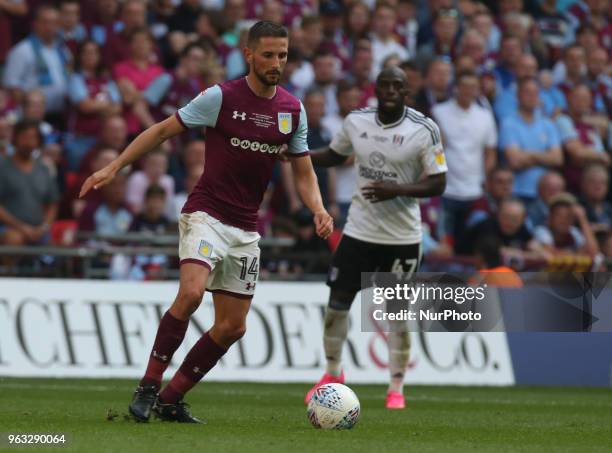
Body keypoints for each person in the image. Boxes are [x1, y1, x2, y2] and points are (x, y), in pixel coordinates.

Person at [80, 20, 333, 424]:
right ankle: (148, 385)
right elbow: (162, 131)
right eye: (268, 54)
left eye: (282, 55)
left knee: (233, 327)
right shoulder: (221, 97)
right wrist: (115, 167)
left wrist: (319, 208)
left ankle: (171, 399)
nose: (276, 62)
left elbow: (303, 171)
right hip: (207, 215)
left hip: (246, 228)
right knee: (192, 293)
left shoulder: (291, 110)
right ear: (249, 54)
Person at [305, 66, 447, 410]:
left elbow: (438, 182)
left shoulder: (424, 129)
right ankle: (331, 373)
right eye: (384, 85)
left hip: (401, 237)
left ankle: (396, 387)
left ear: (406, 91)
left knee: (397, 314)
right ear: (377, 89)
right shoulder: (357, 121)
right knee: (337, 304)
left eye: (397, 86)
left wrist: (397, 189)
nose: (390, 91)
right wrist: (298, 156)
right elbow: (335, 155)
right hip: (358, 231)